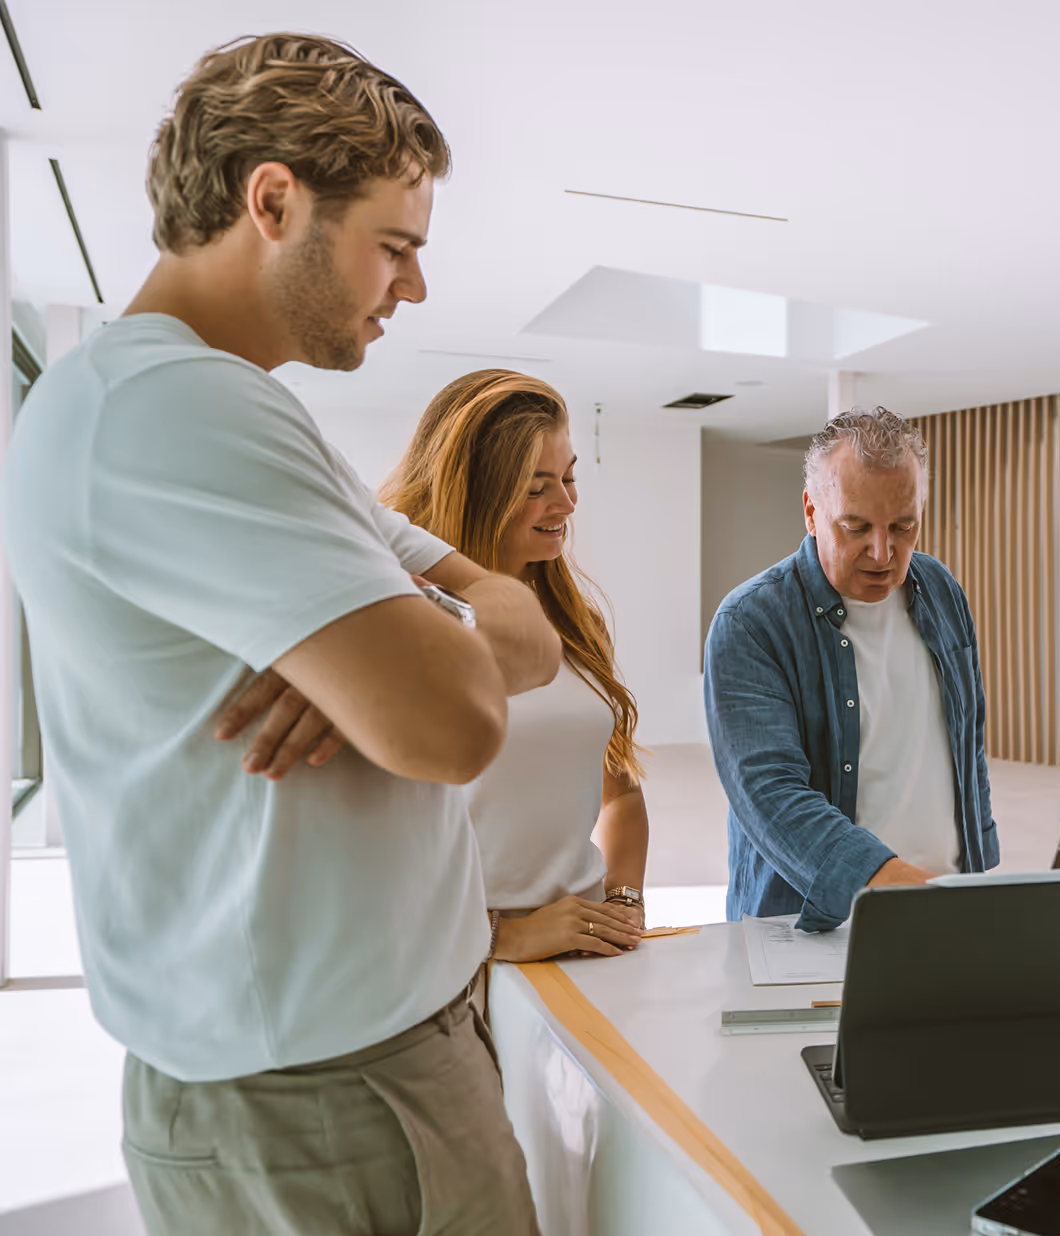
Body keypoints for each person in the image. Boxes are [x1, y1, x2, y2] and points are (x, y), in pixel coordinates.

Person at [3, 35, 551, 1235]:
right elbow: (454, 723)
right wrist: (407, 658)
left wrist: (411, 636)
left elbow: (525, 624)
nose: (410, 288)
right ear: (273, 200)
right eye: (394, 247)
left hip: (364, 1071)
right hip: (320, 1105)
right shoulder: (168, 406)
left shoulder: (236, 408)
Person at [381, 370, 649, 964]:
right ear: (477, 489)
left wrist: (625, 897)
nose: (566, 503)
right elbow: (364, 846)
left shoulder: (575, 621)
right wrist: (503, 936)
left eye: (570, 477)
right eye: (537, 487)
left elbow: (620, 792)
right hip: (456, 965)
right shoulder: (409, 614)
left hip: (582, 958)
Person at [704, 407, 1000, 932]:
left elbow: (966, 739)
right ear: (811, 512)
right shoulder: (750, 622)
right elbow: (772, 796)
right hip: (818, 926)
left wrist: (977, 875)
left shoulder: (941, 589)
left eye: (904, 526)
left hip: (947, 904)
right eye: (856, 526)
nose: (883, 552)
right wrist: (906, 887)